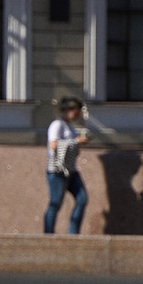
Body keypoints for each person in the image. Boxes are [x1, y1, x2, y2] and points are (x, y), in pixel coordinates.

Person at [43, 98, 88, 236]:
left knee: (82, 199)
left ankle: (73, 232)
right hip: (57, 170)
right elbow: (54, 145)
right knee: (55, 203)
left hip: (70, 169)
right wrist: (75, 141)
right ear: (67, 110)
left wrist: (79, 142)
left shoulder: (69, 126)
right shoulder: (57, 125)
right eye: (76, 111)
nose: (78, 115)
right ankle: (48, 233)